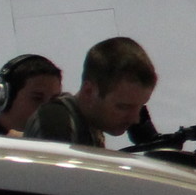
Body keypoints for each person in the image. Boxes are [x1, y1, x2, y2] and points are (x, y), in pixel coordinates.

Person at [25, 36, 157, 151]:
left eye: (140, 107)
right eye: (123, 107)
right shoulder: (56, 122)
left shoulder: (88, 126)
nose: (135, 119)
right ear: (89, 91)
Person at [0, 53, 61, 137]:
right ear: (5, 98)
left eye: (53, 100)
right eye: (37, 98)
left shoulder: (60, 144)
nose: (47, 109)